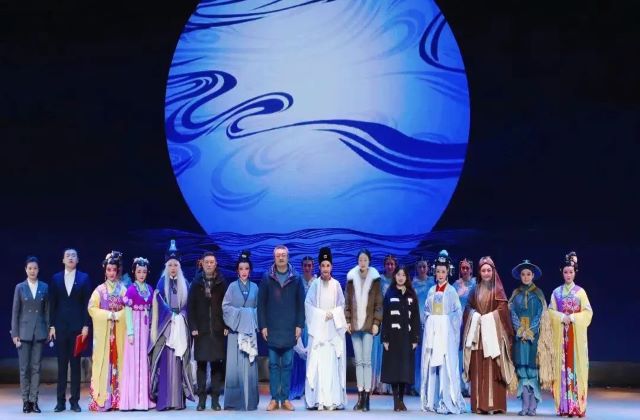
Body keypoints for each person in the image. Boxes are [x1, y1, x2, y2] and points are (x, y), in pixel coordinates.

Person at [462, 256, 516, 414]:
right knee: (478, 368)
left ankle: (494, 405)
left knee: (493, 368)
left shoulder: (498, 290)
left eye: (488, 270)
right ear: (479, 272)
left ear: (493, 271)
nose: (486, 273)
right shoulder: (474, 290)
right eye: (483, 270)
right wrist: (475, 316)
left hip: (493, 336)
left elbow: (503, 310)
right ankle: (479, 405)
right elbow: (468, 307)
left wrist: (488, 318)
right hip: (478, 335)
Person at [258, 245, 305, 411]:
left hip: (289, 329)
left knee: (287, 365)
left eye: (283, 255)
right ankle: (274, 399)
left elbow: (301, 304)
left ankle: (284, 398)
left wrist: (299, 325)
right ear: (274, 257)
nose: (281, 257)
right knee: (273, 365)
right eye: (278, 255)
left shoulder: (296, 278)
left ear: (287, 257)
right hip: (272, 328)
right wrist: (263, 325)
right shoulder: (266, 277)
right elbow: (261, 305)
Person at [149, 240, 195, 410]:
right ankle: (164, 401)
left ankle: (178, 401)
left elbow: (188, 306)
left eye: (175, 265)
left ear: (179, 266)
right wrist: (170, 316)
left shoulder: (185, 283)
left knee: (179, 362)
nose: (173, 268)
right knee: (165, 363)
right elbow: (159, 305)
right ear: (166, 266)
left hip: (180, 326)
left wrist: (181, 316)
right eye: (170, 265)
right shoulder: (161, 283)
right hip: (166, 328)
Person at [420, 251, 465, 414]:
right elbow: (426, 310)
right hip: (433, 333)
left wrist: (446, 320)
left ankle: (447, 401)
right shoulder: (431, 290)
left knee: (446, 367)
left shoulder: (451, 291)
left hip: (446, 335)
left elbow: (458, 313)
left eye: (443, 271)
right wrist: (430, 319)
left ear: (448, 272)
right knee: (432, 365)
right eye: (438, 271)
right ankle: (431, 401)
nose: (440, 274)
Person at [548, 252, 593, 417]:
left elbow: (588, 313)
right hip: (561, 338)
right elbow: (550, 311)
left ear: (575, 273)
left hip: (575, 337)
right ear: (562, 272)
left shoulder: (581, 292)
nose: (568, 275)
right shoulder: (556, 293)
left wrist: (573, 317)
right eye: (566, 272)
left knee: (576, 367)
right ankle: (563, 407)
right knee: (561, 368)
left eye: (571, 272)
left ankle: (577, 406)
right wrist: (562, 317)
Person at [304, 247, 347, 410]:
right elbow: (308, 304)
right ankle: (318, 400)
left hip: (333, 331)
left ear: (332, 267)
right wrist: (322, 314)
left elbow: (342, 305)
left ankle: (333, 400)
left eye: (328, 265)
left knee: (331, 365)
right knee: (319, 364)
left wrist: (333, 313)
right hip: (319, 331)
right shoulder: (315, 284)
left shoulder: (336, 285)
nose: (325, 269)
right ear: (319, 267)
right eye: (323, 266)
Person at [509, 259, 553, 416]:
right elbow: (512, 312)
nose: (526, 277)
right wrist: (519, 329)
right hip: (520, 338)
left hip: (533, 339)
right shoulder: (516, 294)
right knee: (522, 370)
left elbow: (540, 315)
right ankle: (524, 405)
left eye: (528, 274)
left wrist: (531, 331)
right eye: (523, 274)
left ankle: (533, 407)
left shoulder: (538, 294)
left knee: (532, 370)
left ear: (533, 275)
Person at [49, 248, 91, 412]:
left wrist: (86, 325)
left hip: (77, 328)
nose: (71, 258)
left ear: (78, 260)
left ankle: (75, 401)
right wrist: (52, 325)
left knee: (75, 366)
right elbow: (52, 304)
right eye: (68, 256)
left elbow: (87, 303)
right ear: (63, 260)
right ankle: (60, 402)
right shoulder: (56, 278)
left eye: (74, 255)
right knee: (61, 366)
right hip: (60, 328)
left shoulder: (84, 278)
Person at [188, 251, 228, 411]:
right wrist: (193, 327)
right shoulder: (196, 282)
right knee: (201, 365)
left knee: (217, 365)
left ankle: (216, 399)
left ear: (215, 264)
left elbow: (227, 306)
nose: (209, 264)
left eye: (212, 262)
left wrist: (226, 326)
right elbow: (190, 307)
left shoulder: (222, 282)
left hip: (218, 330)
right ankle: (202, 399)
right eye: (207, 262)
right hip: (201, 330)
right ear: (202, 264)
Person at [88, 251, 127, 411]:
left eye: (114, 270)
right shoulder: (99, 290)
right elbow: (91, 308)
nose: (111, 273)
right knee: (103, 362)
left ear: (117, 271)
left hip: (118, 333)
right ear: (105, 271)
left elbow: (128, 308)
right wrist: (108, 315)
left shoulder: (123, 289)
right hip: (104, 333)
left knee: (118, 362)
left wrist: (119, 315)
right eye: (109, 269)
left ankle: (118, 399)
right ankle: (102, 399)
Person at [345, 249, 383, 411]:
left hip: (368, 326)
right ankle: (360, 397)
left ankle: (367, 398)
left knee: (367, 362)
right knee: (358, 362)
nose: (362, 263)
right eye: (360, 260)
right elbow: (347, 303)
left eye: (365, 260)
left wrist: (376, 322)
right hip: (355, 326)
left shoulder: (375, 279)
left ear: (369, 261)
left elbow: (379, 304)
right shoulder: (351, 279)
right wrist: (347, 321)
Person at [222, 250, 260, 411]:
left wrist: (249, 314)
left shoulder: (255, 287)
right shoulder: (232, 287)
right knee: (234, 365)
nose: (244, 272)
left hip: (249, 332)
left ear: (250, 270)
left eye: (246, 268)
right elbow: (225, 307)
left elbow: (259, 309)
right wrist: (242, 315)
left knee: (249, 365)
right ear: (237, 270)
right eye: (241, 268)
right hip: (235, 332)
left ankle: (250, 401)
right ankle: (234, 401)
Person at [11, 256, 49, 414]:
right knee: (24, 369)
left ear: (38, 270)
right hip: (23, 333)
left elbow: (47, 311)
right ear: (26, 270)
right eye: (30, 268)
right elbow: (15, 312)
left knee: (36, 368)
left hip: (39, 332)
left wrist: (48, 330)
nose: (32, 271)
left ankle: (34, 400)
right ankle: (25, 401)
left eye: (35, 268)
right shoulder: (20, 287)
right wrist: (15, 334)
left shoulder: (44, 287)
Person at [381, 266, 420, 411]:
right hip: (393, 338)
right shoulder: (389, 293)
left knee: (404, 370)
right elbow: (385, 317)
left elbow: (415, 318)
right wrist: (385, 338)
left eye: (403, 275)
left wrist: (415, 339)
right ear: (395, 276)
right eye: (398, 274)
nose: (401, 277)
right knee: (394, 369)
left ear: (406, 277)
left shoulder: (411, 294)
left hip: (407, 338)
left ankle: (401, 399)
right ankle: (396, 400)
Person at [120, 257, 154, 411]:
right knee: (133, 362)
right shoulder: (131, 290)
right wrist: (130, 331)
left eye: (144, 272)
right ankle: (132, 401)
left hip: (145, 328)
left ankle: (144, 400)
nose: (141, 274)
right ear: (134, 272)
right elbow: (127, 311)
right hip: (134, 325)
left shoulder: (150, 289)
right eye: (139, 271)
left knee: (144, 361)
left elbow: (153, 311)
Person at [290, 256, 316, 400]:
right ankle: (299, 387)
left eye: (309, 265)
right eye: (305, 265)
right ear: (302, 266)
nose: (307, 268)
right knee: (299, 356)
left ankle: (311, 387)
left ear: (313, 266)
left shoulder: (316, 282)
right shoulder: (297, 281)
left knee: (313, 356)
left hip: (313, 323)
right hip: (300, 322)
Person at [372, 254, 396, 395]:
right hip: (381, 318)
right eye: (388, 264)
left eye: (392, 264)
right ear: (384, 265)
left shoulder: (398, 280)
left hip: (394, 319)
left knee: (391, 352)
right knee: (378, 351)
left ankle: (389, 385)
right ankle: (377, 384)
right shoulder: (379, 280)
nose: (390, 266)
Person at [452, 258, 476, 397]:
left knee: (470, 352)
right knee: (460, 352)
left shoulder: (475, 284)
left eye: (467, 268)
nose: (465, 270)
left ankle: (470, 385)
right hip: (459, 322)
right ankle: (460, 386)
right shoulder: (455, 285)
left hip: (471, 320)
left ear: (471, 269)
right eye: (463, 268)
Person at [411, 256, 433, 394]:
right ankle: (416, 386)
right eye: (420, 267)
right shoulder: (412, 284)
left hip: (430, 322)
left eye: (424, 266)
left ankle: (428, 385)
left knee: (429, 354)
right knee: (417, 355)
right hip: (416, 322)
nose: (422, 269)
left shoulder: (432, 282)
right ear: (416, 268)